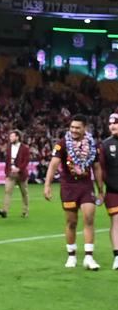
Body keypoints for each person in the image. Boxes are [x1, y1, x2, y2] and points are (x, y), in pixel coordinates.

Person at [44, 114, 103, 270]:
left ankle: (89, 257)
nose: (74, 130)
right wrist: (47, 185)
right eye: (72, 127)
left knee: (89, 218)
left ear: (85, 128)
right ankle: (72, 256)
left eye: (77, 127)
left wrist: (101, 190)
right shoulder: (62, 144)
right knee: (71, 222)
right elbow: (53, 165)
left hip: (86, 186)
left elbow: (96, 168)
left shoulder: (92, 144)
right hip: (68, 187)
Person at [0, 129, 30, 218]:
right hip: (11, 173)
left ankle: (25, 211)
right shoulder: (9, 147)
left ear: (17, 137)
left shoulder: (25, 148)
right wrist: (7, 172)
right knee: (7, 191)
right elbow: (7, 161)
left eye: (12, 136)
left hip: (21, 174)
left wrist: (19, 169)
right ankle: (4, 211)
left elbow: (26, 161)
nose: (10, 138)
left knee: (24, 193)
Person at [99, 113, 118, 270]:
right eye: (111, 124)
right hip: (113, 191)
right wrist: (101, 188)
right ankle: (117, 256)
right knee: (116, 221)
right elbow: (101, 170)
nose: (112, 126)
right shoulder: (105, 145)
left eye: (116, 123)